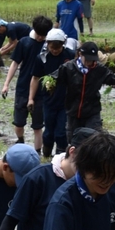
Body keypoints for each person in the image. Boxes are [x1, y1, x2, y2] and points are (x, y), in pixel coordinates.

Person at [56, 41, 115, 144]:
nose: (89, 62)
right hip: (73, 112)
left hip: (92, 112)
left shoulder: (99, 69)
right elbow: (53, 79)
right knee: (73, 141)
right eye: (87, 59)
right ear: (80, 54)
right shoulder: (68, 67)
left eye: (92, 59)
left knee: (95, 140)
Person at [1, 16, 51, 150]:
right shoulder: (24, 42)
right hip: (23, 88)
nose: (40, 37)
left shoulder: (49, 46)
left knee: (38, 127)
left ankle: (37, 152)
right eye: (39, 34)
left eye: (43, 35)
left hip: (41, 91)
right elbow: (14, 63)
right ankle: (20, 140)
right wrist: (6, 84)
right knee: (18, 123)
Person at [29, 28, 76, 158]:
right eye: (52, 48)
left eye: (58, 48)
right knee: (49, 131)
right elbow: (35, 78)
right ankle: (46, 154)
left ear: (63, 44)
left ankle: (60, 157)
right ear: (47, 44)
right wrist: (31, 98)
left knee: (61, 132)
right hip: (48, 100)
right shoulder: (42, 58)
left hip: (66, 100)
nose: (55, 51)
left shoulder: (70, 56)